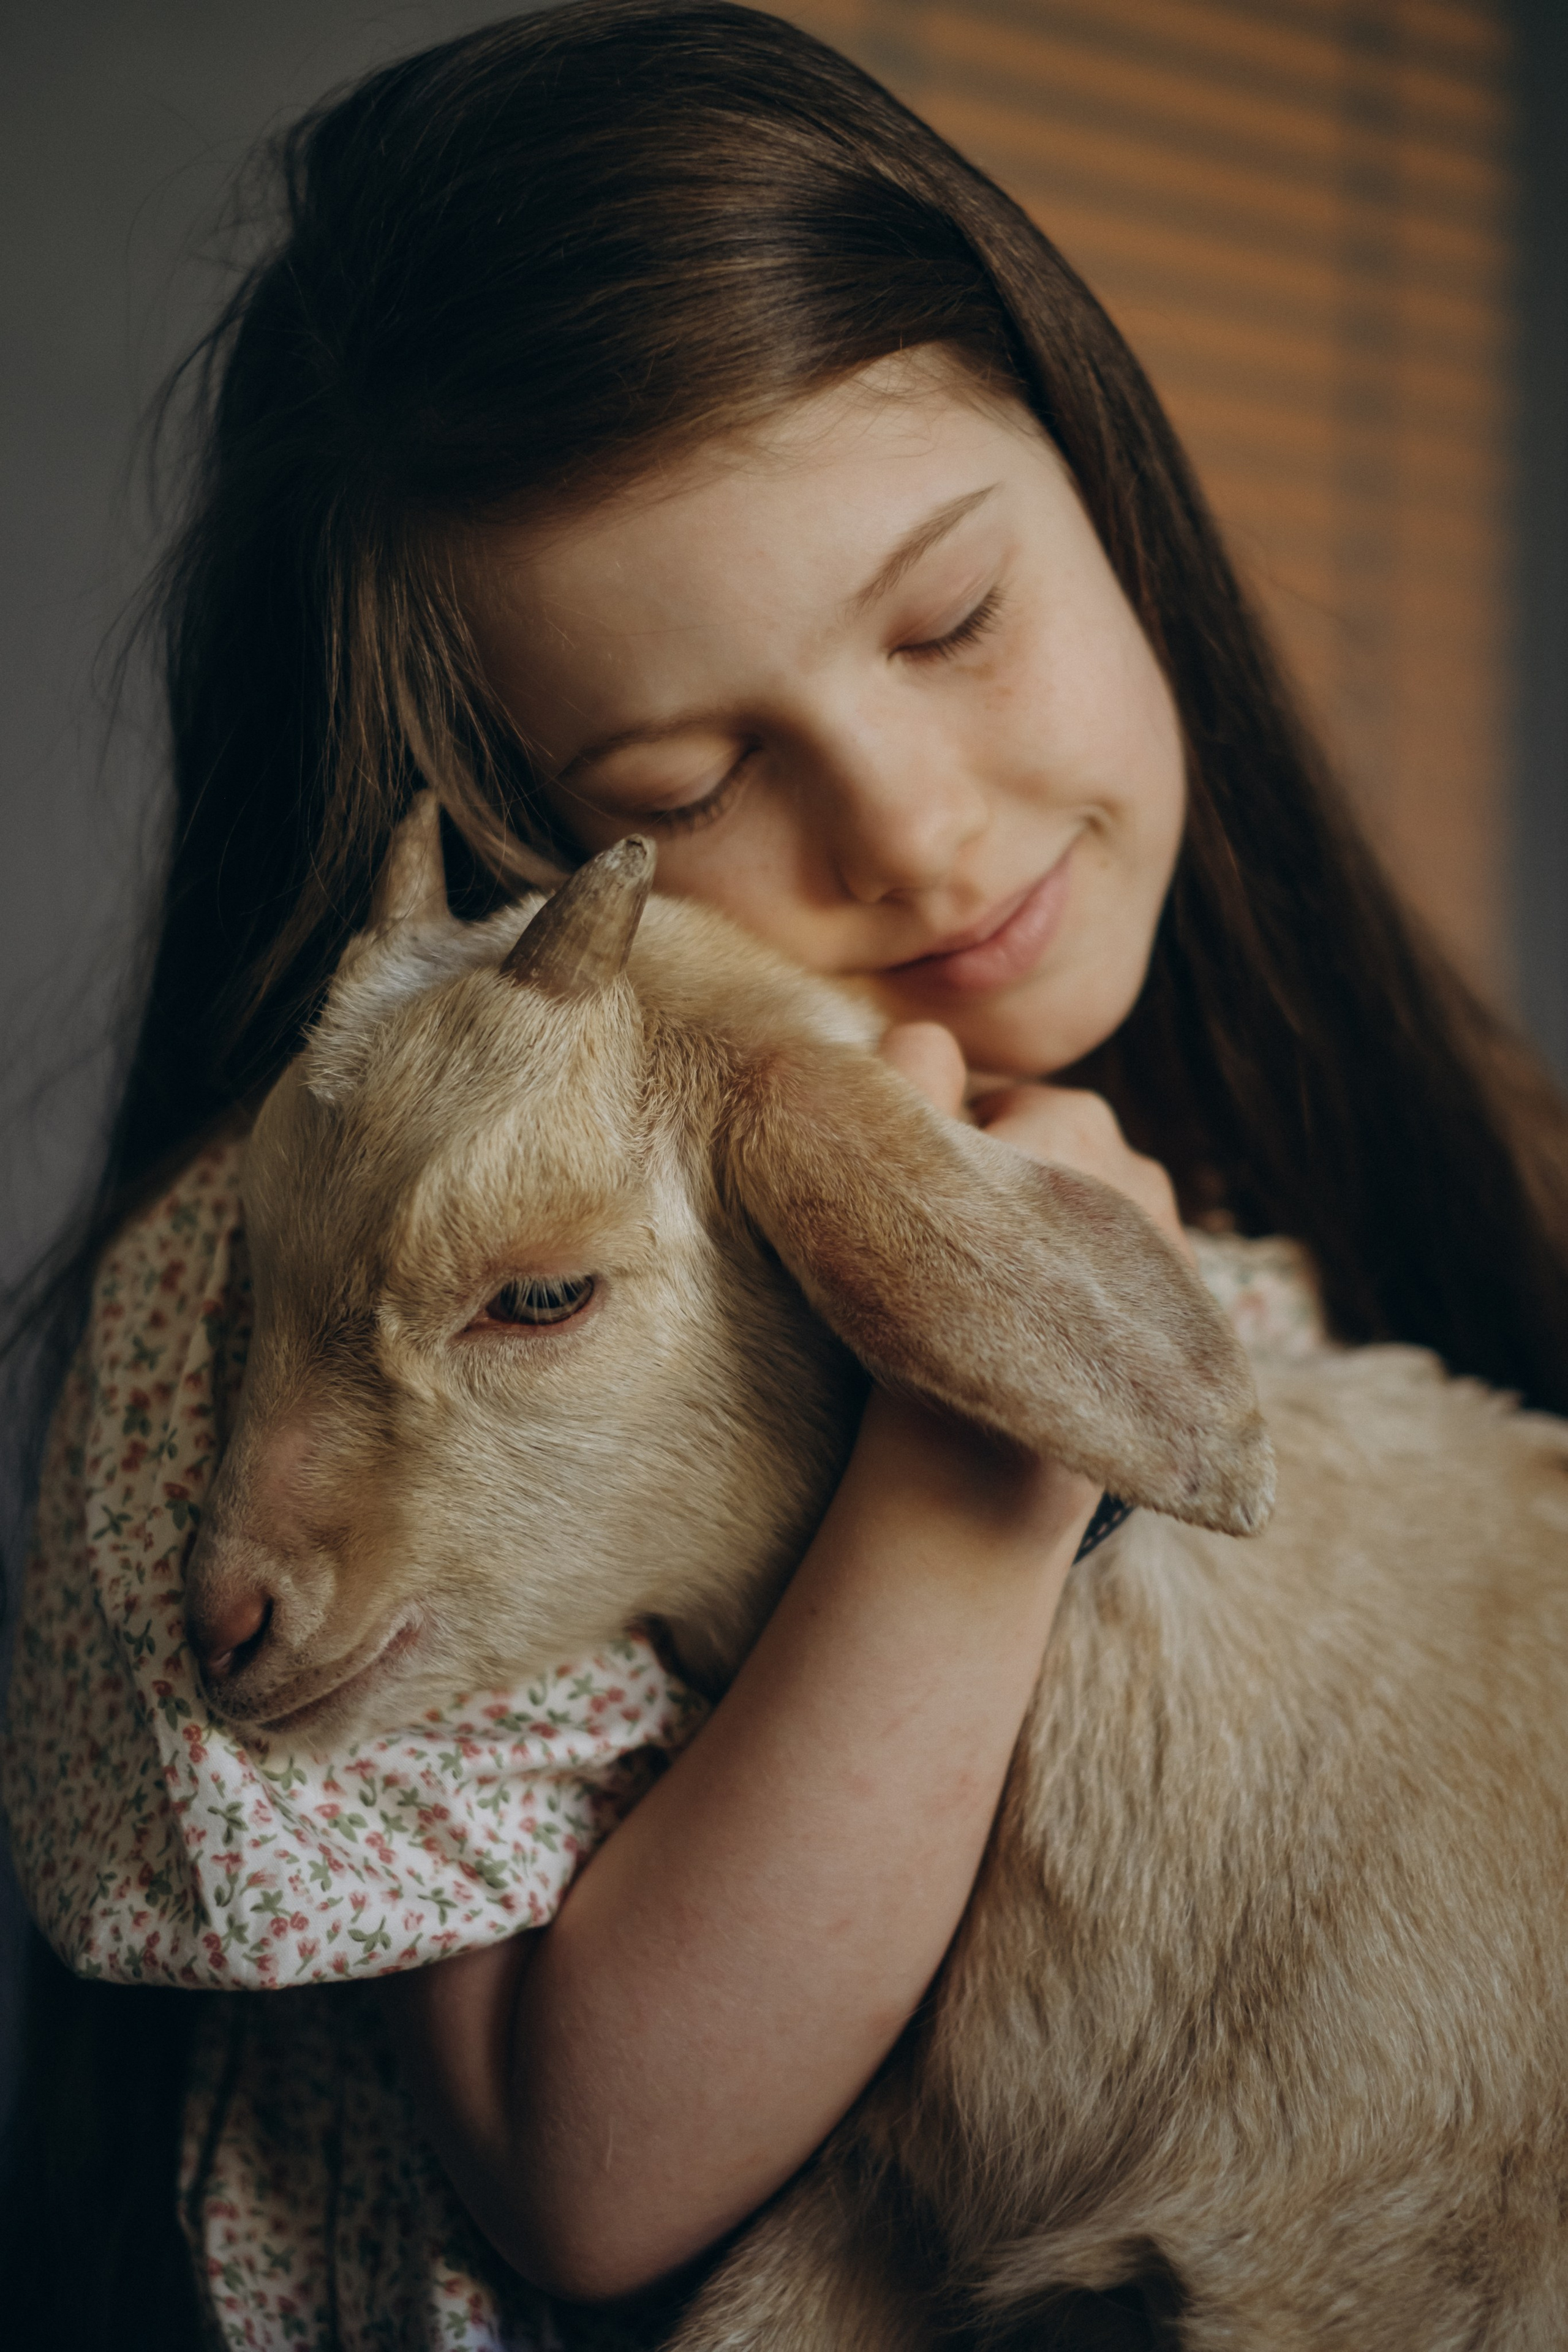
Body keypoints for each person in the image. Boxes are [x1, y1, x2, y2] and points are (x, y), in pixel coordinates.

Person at [5, 4, 1567, 2346]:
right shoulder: (381, 1271)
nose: (918, 830)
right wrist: (991, 1438)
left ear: (1100, 474)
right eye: (677, 786)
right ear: (514, 834)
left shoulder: (1371, 1103)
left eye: (954, 618)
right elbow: (583, 2168)